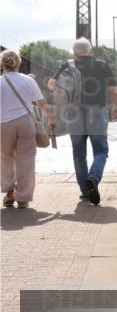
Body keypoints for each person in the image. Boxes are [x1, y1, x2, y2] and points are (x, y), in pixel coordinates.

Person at [51, 38, 117, 205]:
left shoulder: (67, 65)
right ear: (90, 50)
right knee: (101, 151)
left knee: (79, 154)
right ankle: (93, 178)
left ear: (75, 52)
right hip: (97, 111)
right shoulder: (102, 65)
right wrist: (116, 108)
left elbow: (52, 85)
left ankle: (85, 191)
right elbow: (113, 91)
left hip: (73, 113)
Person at [2, 49, 55, 208]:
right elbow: (42, 104)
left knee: (5, 157)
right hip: (26, 123)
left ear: (2, 65)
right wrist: (51, 119)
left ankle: (9, 192)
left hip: (4, 124)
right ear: (19, 63)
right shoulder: (28, 81)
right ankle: (23, 198)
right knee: (26, 160)